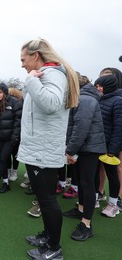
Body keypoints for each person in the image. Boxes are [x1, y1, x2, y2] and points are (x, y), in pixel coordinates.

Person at [18, 38, 80, 260]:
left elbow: (52, 103)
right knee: (43, 198)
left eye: (24, 59)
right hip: (39, 148)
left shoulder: (52, 73)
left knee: (47, 200)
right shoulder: (46, 74)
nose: (22, 64)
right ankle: (47, 236)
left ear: (36, 56)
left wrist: (30, 82)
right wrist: (31, 82)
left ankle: (54, 247)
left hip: (42, 150)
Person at [62, 72, 106, 241]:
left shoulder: (86, 99)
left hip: (89, 148)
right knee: (81, 181)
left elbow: (81, 128)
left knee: (87, 185)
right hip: (84, 147)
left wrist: (70, 150)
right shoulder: (82, 97)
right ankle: (80, 210)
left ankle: (86, 224)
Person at [0, 82, 22, 195]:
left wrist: (15, 137)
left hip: (10, 139)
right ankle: (6, 183)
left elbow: (18, 122)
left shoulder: (15, 102)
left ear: (5, 92)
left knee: (2, 160)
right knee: (4, 160)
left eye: (0, 92)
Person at [94, 74, 122, 217]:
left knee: (112, 175)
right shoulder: (99, 99)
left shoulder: (118, 101)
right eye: (97, 86)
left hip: (110, 147)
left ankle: (113, 204)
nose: (98, 88)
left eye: (101, 86)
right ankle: (95, 198)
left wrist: (112, 149)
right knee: (95, 172)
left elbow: (119, 128)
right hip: (97, 144)